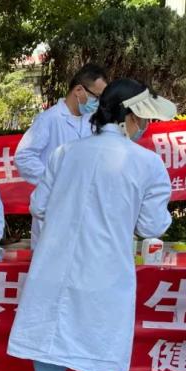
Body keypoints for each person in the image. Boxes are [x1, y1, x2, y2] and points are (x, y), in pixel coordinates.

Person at [7, 79, 176, 371]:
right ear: (132, 116)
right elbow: (152, 225)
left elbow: (39, 205)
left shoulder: (66, 153)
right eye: (145, 118)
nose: (146, 125)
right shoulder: (147, 163)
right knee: (103, 353)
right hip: (105, 275)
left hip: (55, 267)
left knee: (49, 351)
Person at [15, 63, 108, 247]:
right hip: (52, 205)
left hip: (84, 208)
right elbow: (23, 157)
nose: (98, 103)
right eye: (96, 97)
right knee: (50, 256)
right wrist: (54, 180)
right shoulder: (50, 119)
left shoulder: (93, 122)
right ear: (79, 90)